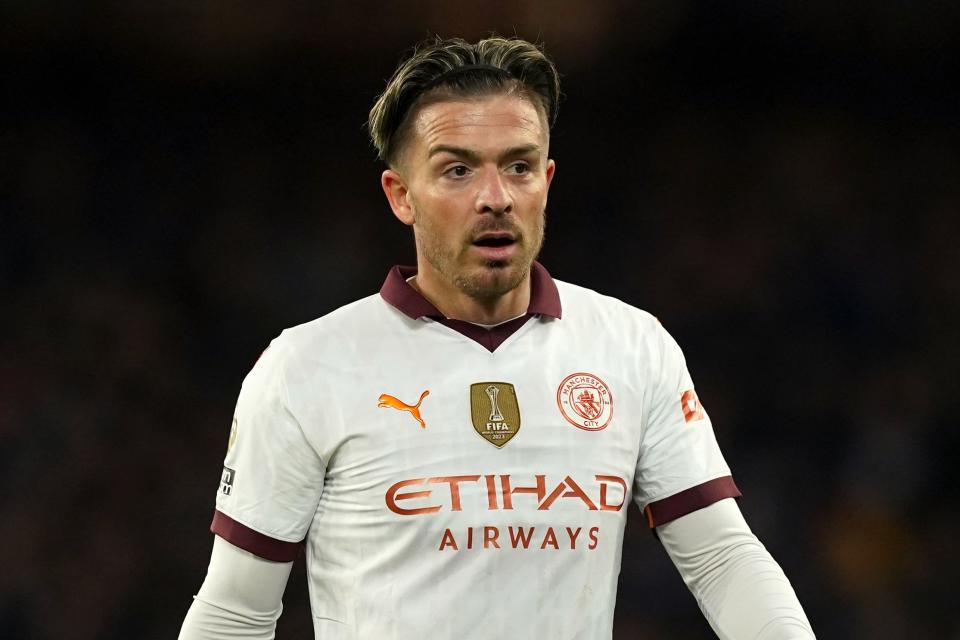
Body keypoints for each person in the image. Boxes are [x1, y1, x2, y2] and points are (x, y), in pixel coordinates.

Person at [179, 36, 815, 640]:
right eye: (457, 170)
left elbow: (722, 558)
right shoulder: (308, 365)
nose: (495, 197)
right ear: (401, 196)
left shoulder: (632, 346)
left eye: (519, 167)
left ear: (547, 181)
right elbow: (236, 610)